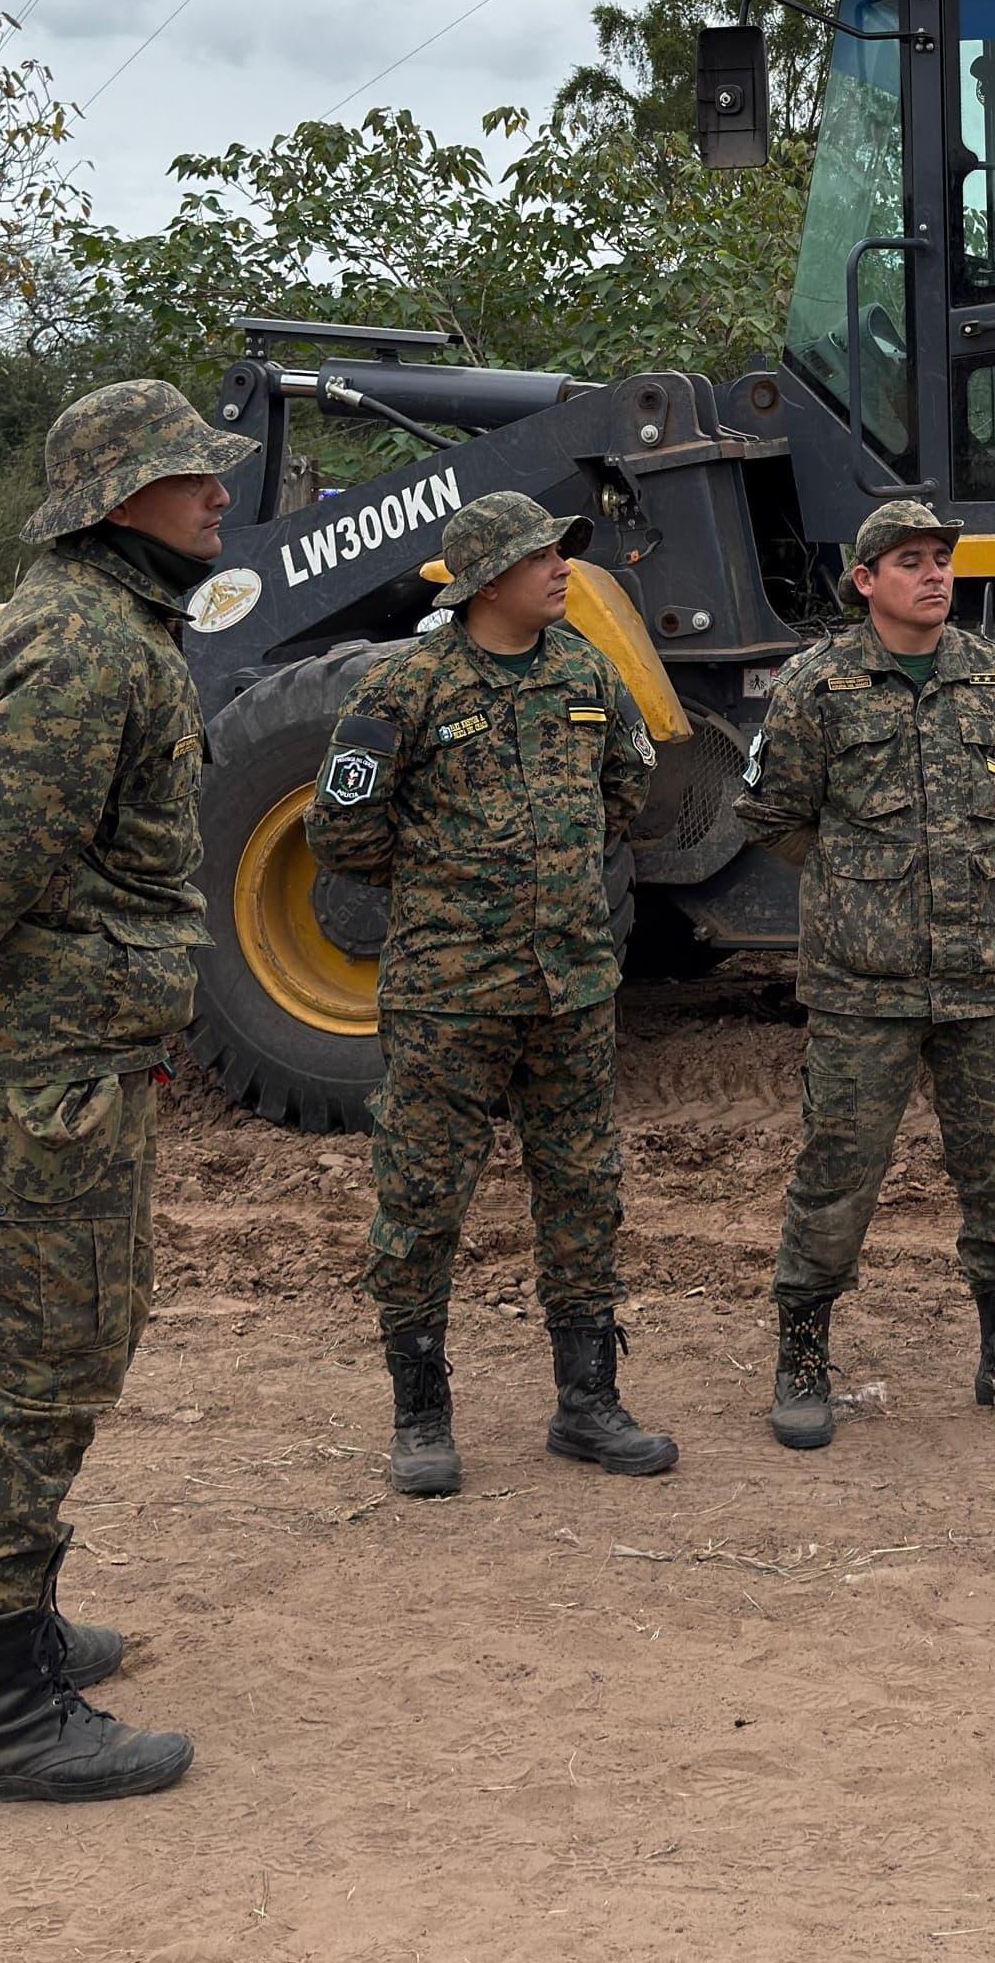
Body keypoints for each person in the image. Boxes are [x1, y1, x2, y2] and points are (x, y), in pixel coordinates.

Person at [0, 380, 255, 1806]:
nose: (217, 495)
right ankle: (12, 1711)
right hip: (48, 1065)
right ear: (115, 499)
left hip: (63, 1050)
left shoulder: (98, 623)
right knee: (43, 1364)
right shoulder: (87, 645)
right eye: (190, 477)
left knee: (58, 1335)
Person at [304, 489, 673, 1497]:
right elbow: (341, 830)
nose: (561, 568)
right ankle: (421, 1416)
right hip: (449, 992)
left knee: (584, 1195)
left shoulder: (588, 672)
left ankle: (588, 1405)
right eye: (541, 555)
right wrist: (447, 880)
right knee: (421, 1202)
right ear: (486, 578)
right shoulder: (406, 686)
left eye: (562, 553)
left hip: (571, 985)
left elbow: (624, 789)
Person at [736, 498, 995, 1451]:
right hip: (861, 983)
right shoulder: (818, 683)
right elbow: (771, 814)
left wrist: (961, 860)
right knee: (837, 1173)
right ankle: (802, 1357)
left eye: (941, 558)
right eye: (911, 561)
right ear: (865, 579)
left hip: (982, 976)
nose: (934, 574)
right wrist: (863, 878)